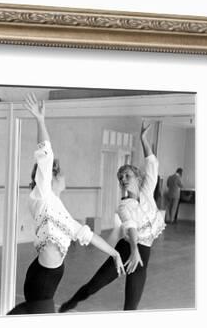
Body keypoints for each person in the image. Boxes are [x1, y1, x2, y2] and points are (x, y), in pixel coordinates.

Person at [8, 93, 125, 315]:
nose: (64, 176)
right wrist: (40, 121)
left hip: (46, 279)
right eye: (60, 173)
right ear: (51, 178)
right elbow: (45, 155)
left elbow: (88, 235)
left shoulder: (59, 210)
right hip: (41, 280)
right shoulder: (42, 195)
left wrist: (115, 254)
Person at [59, 121, 165, 312]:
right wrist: (134, 250)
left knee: (131, 306)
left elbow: (151, 163)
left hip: (143, 253)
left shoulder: (147, 190)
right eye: (120, 178)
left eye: (126, 176)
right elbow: (131, 227)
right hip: (127, 248)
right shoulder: (124, 206)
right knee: (95, 285)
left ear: (137, 177)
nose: (123, 180)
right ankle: (71, 302)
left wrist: (143, 139)